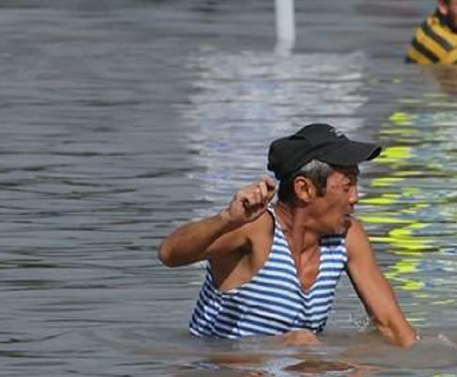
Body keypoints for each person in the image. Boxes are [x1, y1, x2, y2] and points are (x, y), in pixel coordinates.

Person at [158, 124, 417, 347]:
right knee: (301, 342)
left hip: (294, 367)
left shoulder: (348, 235)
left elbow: (393, 328)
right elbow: (169, 254)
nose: (355, 197)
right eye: (347, 186)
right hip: (218, 368)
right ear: (304, 189)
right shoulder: (256, 228)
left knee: (360, 363)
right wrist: (226, 219)